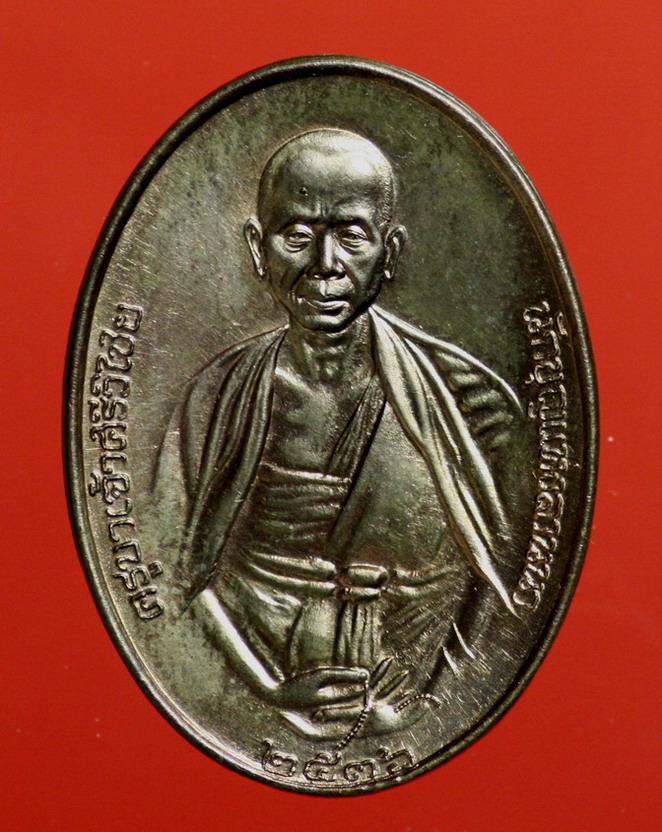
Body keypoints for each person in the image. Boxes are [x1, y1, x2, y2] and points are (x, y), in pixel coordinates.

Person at [154, 128, 521, 741]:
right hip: (265, 670)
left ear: (390, 252)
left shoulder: (469, 404)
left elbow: (500, 578)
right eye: (297, 236)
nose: (325, 265)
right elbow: (171, 568)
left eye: (351, 236)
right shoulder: (215, 401)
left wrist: (429, 698)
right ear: (258, 250)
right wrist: (267, 688)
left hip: (409, 682)